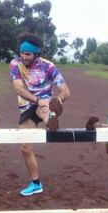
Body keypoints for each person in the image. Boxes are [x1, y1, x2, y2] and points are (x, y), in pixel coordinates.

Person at [10, 32, 71, 197]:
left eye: (28, 54)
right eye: (22, 53)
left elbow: (65, 91)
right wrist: (37, 100)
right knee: (25, 146)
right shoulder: (15, 64)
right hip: (27, 105)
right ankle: (36, 183)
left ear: (36, 54)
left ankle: (51, 118)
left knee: (45, 112)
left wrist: (56, 101)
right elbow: (19, 88)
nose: (23, 56)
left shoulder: (48, 66)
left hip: (44, 103)